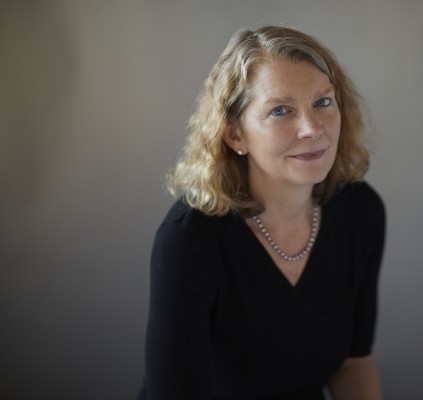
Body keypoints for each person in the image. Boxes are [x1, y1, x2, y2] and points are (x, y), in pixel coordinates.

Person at [138, 25, 386, 400]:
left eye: (323, 102)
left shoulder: (361, 212)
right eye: (281, 110)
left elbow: (352, 364)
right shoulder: (189, 240)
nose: (312, 129)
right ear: (235, 135)